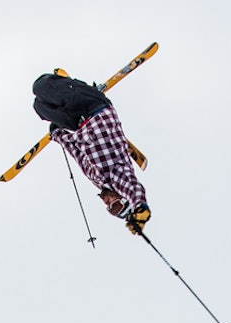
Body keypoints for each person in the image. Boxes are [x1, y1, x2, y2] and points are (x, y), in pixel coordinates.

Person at [32, 71, 150, 234]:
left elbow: (78, 153)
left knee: (39, 107)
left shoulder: (96, 179)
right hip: (94, 107)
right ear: (123, 197)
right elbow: (133, 188)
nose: (108, 204)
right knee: (41, 86)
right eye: (115, 205)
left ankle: (69, 90)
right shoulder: (119, 175)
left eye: (110, 210)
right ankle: (74, 85)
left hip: (78, 123)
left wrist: (59, 135)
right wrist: (140, 209)